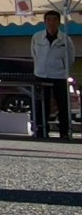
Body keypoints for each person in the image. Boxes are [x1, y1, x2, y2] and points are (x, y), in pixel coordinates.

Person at [31, 10, 75, 140]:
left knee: (63, 104)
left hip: (59, 75)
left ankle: (64, 131)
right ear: (45, 22)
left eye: (54, 20)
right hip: (41, 74)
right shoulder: (37, 37)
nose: (51, 23)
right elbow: (34, 54)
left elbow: (70, 57)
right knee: (41, 104)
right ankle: (41, 130)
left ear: (59, 22)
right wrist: (39, 66)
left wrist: (62, 68)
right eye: (49, 20)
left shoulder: (65, 38)